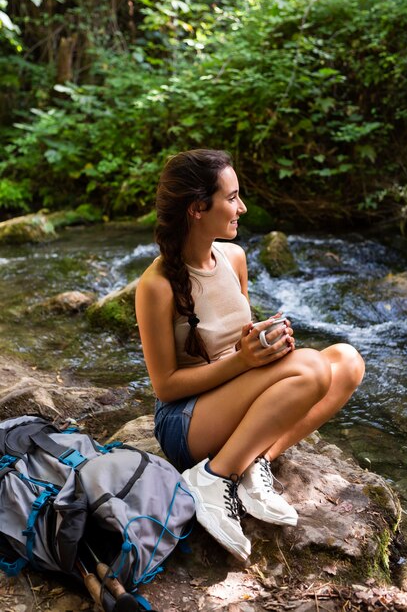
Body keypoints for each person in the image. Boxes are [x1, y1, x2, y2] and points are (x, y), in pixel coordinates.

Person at [135, 149, 365, 562]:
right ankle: (212, 477)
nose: (241, 207)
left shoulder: (235, 257)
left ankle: (253, 463)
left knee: (347, 361)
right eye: (232, 197)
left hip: (235, 398)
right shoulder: (157, 286)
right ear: (197, 209)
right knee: (312, 369)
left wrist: (267, 340)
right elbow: (165, 386)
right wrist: (243, 360)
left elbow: (237, 337)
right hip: (186, 422)